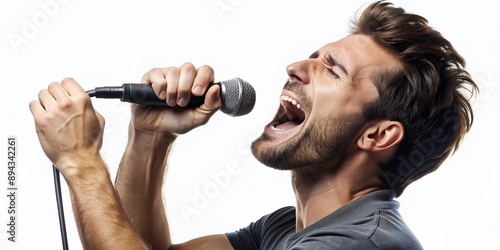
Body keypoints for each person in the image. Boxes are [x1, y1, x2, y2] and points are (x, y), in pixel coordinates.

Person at [29, 1, 478, 249]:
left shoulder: (360, 245)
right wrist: (150, 135)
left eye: (332, 70)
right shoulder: (285, 231)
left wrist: (81, 164)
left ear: (377, 135)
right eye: (314, 56)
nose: (296, 67)